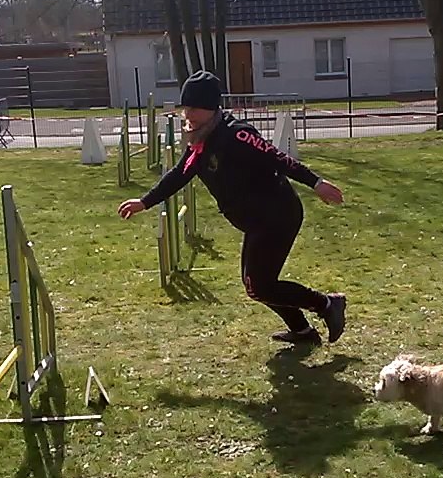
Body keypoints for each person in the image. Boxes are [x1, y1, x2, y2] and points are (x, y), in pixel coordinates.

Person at [118, 71, 348, 345]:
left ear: (211, 107)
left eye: (194, 107)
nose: (187, 113)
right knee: (258, 285)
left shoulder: (236, 134)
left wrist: (316, 182)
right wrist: (144, 202)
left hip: (277, 215)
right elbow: (180, 174)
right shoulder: (201, 139)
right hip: (257, 221)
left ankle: (326, 305)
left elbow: (278, 158)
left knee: (259, 285)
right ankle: (303, 332)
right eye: (185, 107)